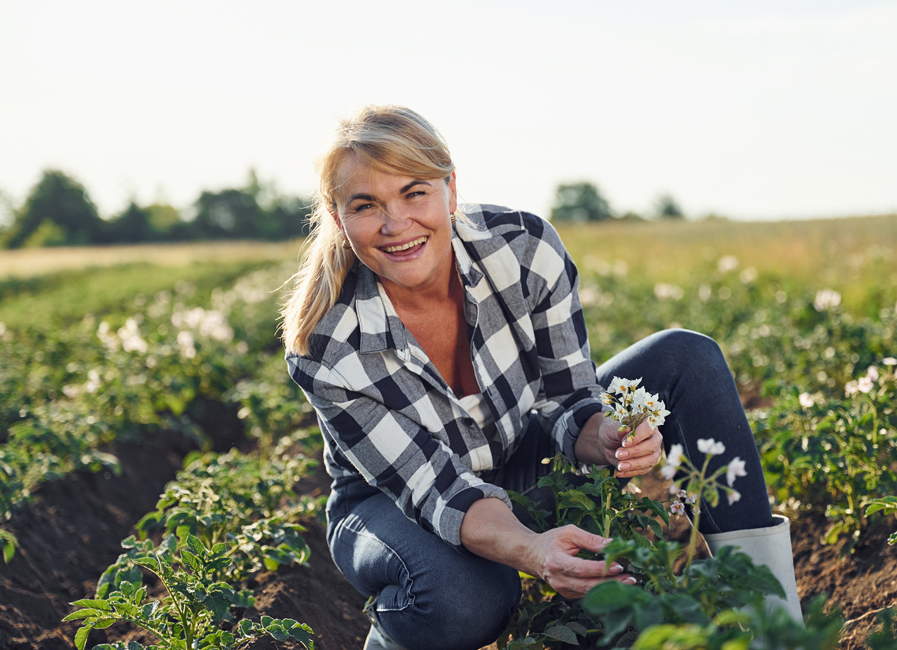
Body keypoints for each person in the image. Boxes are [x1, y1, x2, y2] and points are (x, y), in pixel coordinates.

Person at [280, 105, 802, 650]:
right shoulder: (327, 343)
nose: (396, 224)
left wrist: (605, 435)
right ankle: (397, 637)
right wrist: (533, 550)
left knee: (685, 359)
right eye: (366, 205)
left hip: (516, 459)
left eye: (415, 193)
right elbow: (436, 490)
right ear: (338, 219)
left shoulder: (522, 249)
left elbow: (568, 398)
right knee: (466, 598)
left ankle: (777, 627)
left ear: (450, 191)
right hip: (391, 507)